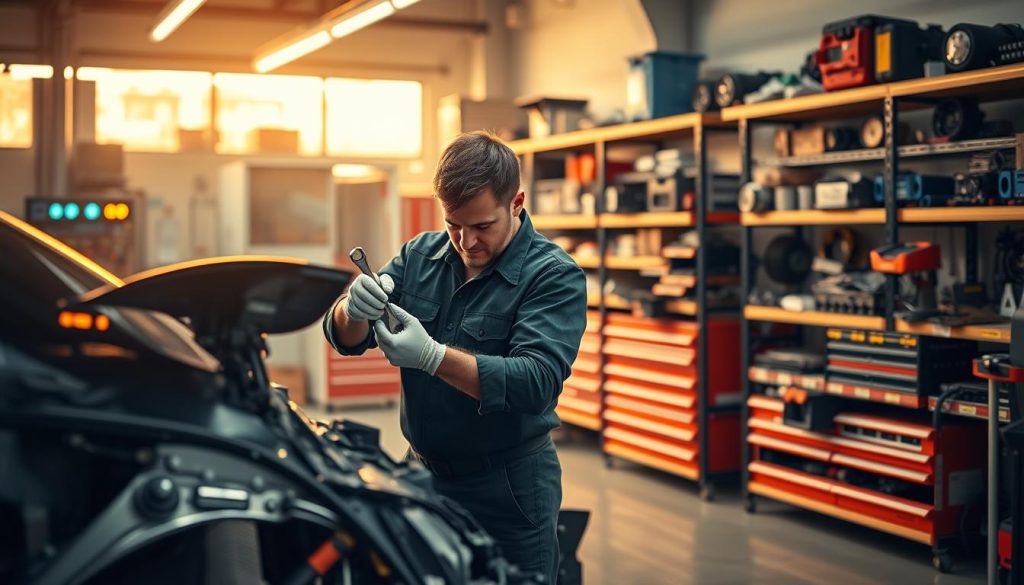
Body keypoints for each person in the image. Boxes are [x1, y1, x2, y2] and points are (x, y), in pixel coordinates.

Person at [323, 131, 587, 583]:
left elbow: (535, 382)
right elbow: (346, 337)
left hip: (507, 489)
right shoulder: (420, 255)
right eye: (453, 224)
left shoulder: (553, 275)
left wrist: (432, 356)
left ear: (516, 202)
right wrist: (353, 308)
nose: (466, 241)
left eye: (482, 226)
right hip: (422, 477)